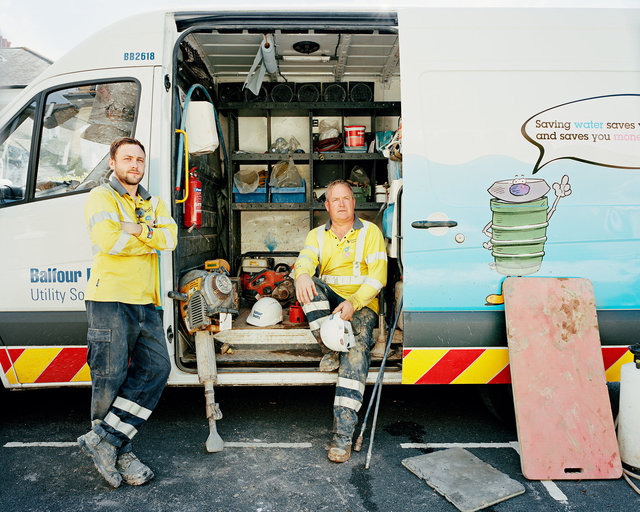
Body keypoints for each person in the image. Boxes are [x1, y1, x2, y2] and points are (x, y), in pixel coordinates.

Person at [77, 137, 177, 487]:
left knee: (158, 368)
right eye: (127, 159)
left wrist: (136, 229)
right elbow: (110, 242)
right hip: (109, 299)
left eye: (139, 159)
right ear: (112, 162)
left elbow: (171, 239)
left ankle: (103, 442)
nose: (135, 165)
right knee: (111, 376)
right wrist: (147, 234)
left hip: (145, 301)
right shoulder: (100, 197)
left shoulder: (152, 202)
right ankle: (119, 450)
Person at [294, 179, 387, 463]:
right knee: (306, 285)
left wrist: (354, 303)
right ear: (327, 205)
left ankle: (343, 437)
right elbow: (305, 260)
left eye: (346, 198)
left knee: (356, 354)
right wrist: (301, 275)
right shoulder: (317, 235)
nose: (342, 204)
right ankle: (331, 348)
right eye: (336, 200)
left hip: (361, 306)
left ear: (354, 202)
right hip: (333, 306)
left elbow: (378, 276)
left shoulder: (370, 232)